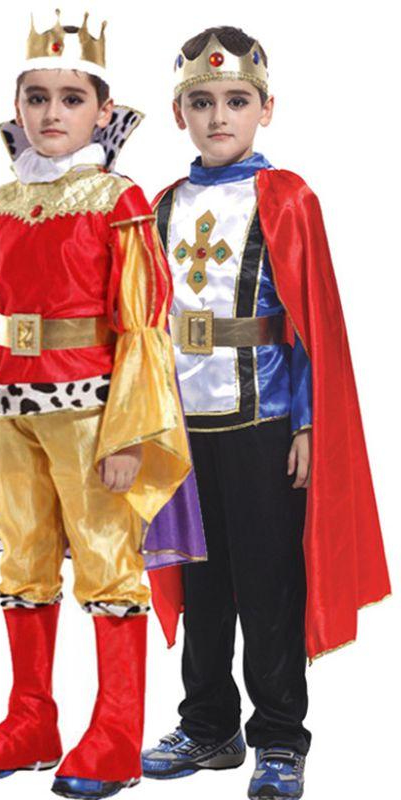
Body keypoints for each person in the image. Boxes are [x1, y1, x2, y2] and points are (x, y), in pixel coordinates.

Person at [0, 11, 203, 800]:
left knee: (106, 565)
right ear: (17, 108)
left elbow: (143, 323)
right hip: (9, 409)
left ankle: (116, 734)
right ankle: (31, 720)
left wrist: (130, 432)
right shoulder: (3, 202)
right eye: (37, 97)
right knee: (22, 561)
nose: (52, 112)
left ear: (103, 111)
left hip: (90, 414)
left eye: (71, 98)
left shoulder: (119, 201)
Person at [142, 25, 391, 800]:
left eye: (237, 101)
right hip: (183, 429)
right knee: (201, 583)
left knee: (269, 586)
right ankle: (208, 725)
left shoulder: (286, 198)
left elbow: (313, 319)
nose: (219, 116)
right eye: (202, 102)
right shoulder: (161, 206)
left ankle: (280, 737)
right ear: (180, 112)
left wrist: (309, 422)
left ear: (266, 109)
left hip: (263, 424)